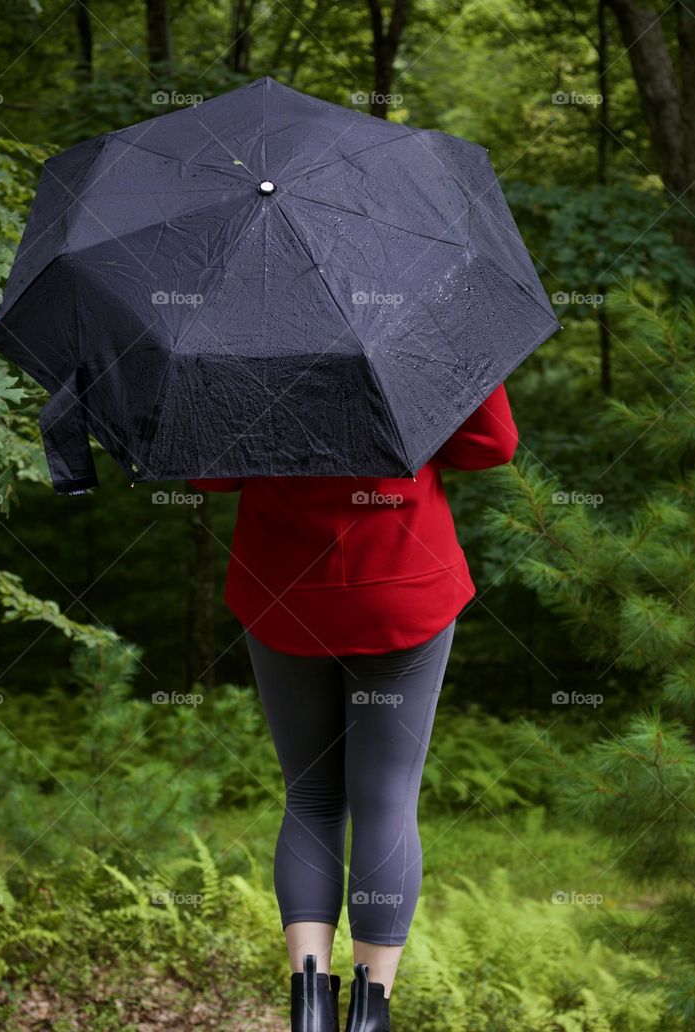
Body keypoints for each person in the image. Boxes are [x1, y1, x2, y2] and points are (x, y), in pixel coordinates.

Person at [187, 382, 519, 1032]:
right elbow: (492, 443)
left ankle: (310, 1008)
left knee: (310, 798)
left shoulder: (248, 330)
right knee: (386, 800)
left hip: (283, 588)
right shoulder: (426, 314)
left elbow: (210, 475)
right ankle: (369, 1016)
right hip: (401, 582)